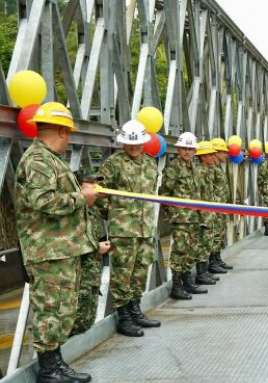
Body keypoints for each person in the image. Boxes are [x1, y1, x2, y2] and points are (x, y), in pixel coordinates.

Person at [15, 101, 98, 383]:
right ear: (62, 131)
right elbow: (43, 201)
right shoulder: (38, 160)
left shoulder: (49, 159)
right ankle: (48, 370)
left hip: (60, 249)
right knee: (50, 309)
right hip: (47, 251)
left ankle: (56, 362)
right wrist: (82, 198)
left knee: (61, 309)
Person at [98, 119, 161, 338]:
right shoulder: (113, 164)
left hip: (145, 228)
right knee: (123, 273)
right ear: (123, 143)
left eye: (137, 144)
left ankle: (136, 309)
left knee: (140, 270)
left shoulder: (150, 164)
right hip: (123, 229)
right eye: (130, 144)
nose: (134, 148)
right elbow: (99, 194)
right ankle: (124, 316)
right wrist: (115, 213)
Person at [160, 132, 207, 299]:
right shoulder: (173, 168)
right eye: (184, 149)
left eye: (190, 149)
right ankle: (177, 286)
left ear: (194, 151)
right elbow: (164, 194)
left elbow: (198, 192)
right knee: (179, 251)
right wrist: (173, 214)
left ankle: (188, 282)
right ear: (178, 149)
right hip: (181, 218)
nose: (187, 152)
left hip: (194, 217)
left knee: (191, 250)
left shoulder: (195, 168)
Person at [71, 169, 110, 336]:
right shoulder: (72, 211)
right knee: (74, 320)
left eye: (97, 186)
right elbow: (70, 241)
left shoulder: (93, 209)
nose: (95, 190)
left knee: (87, 318)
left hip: (92, 275)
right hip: (77, 276)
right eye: (90, 186)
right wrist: (96, 247)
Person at [194, 140, 221, 283]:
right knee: (203, 243)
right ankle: (200, 274)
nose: (213, 157)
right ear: (203, 157)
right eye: (210, 155)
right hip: (203, 214)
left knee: (207, 242)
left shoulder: (207, 170)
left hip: (209, 212)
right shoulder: (199, 172)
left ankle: (204, 271)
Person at [208, 138, 234, 273]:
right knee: (214, 235)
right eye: (223, 152)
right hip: (214, 208)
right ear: (216, 152)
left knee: (219, 234)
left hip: (220, 207)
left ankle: (217, 259)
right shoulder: (211, 168)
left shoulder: (217, 167)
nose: (226, 155)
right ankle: (212, 263)